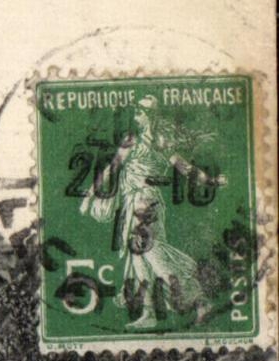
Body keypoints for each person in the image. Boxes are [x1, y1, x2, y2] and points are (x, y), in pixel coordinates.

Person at [81, 96, 211, 329]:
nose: (136, 115)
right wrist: (89, 195)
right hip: (140, 203)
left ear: (148, 114)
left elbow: (182, 167)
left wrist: (207, 179)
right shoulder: (144, 141)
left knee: (153, 255)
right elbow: (112, 168)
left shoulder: (152, 142)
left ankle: (199, 300)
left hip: (144, 203)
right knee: (141, 259)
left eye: (139, 111)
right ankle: (150, 312)